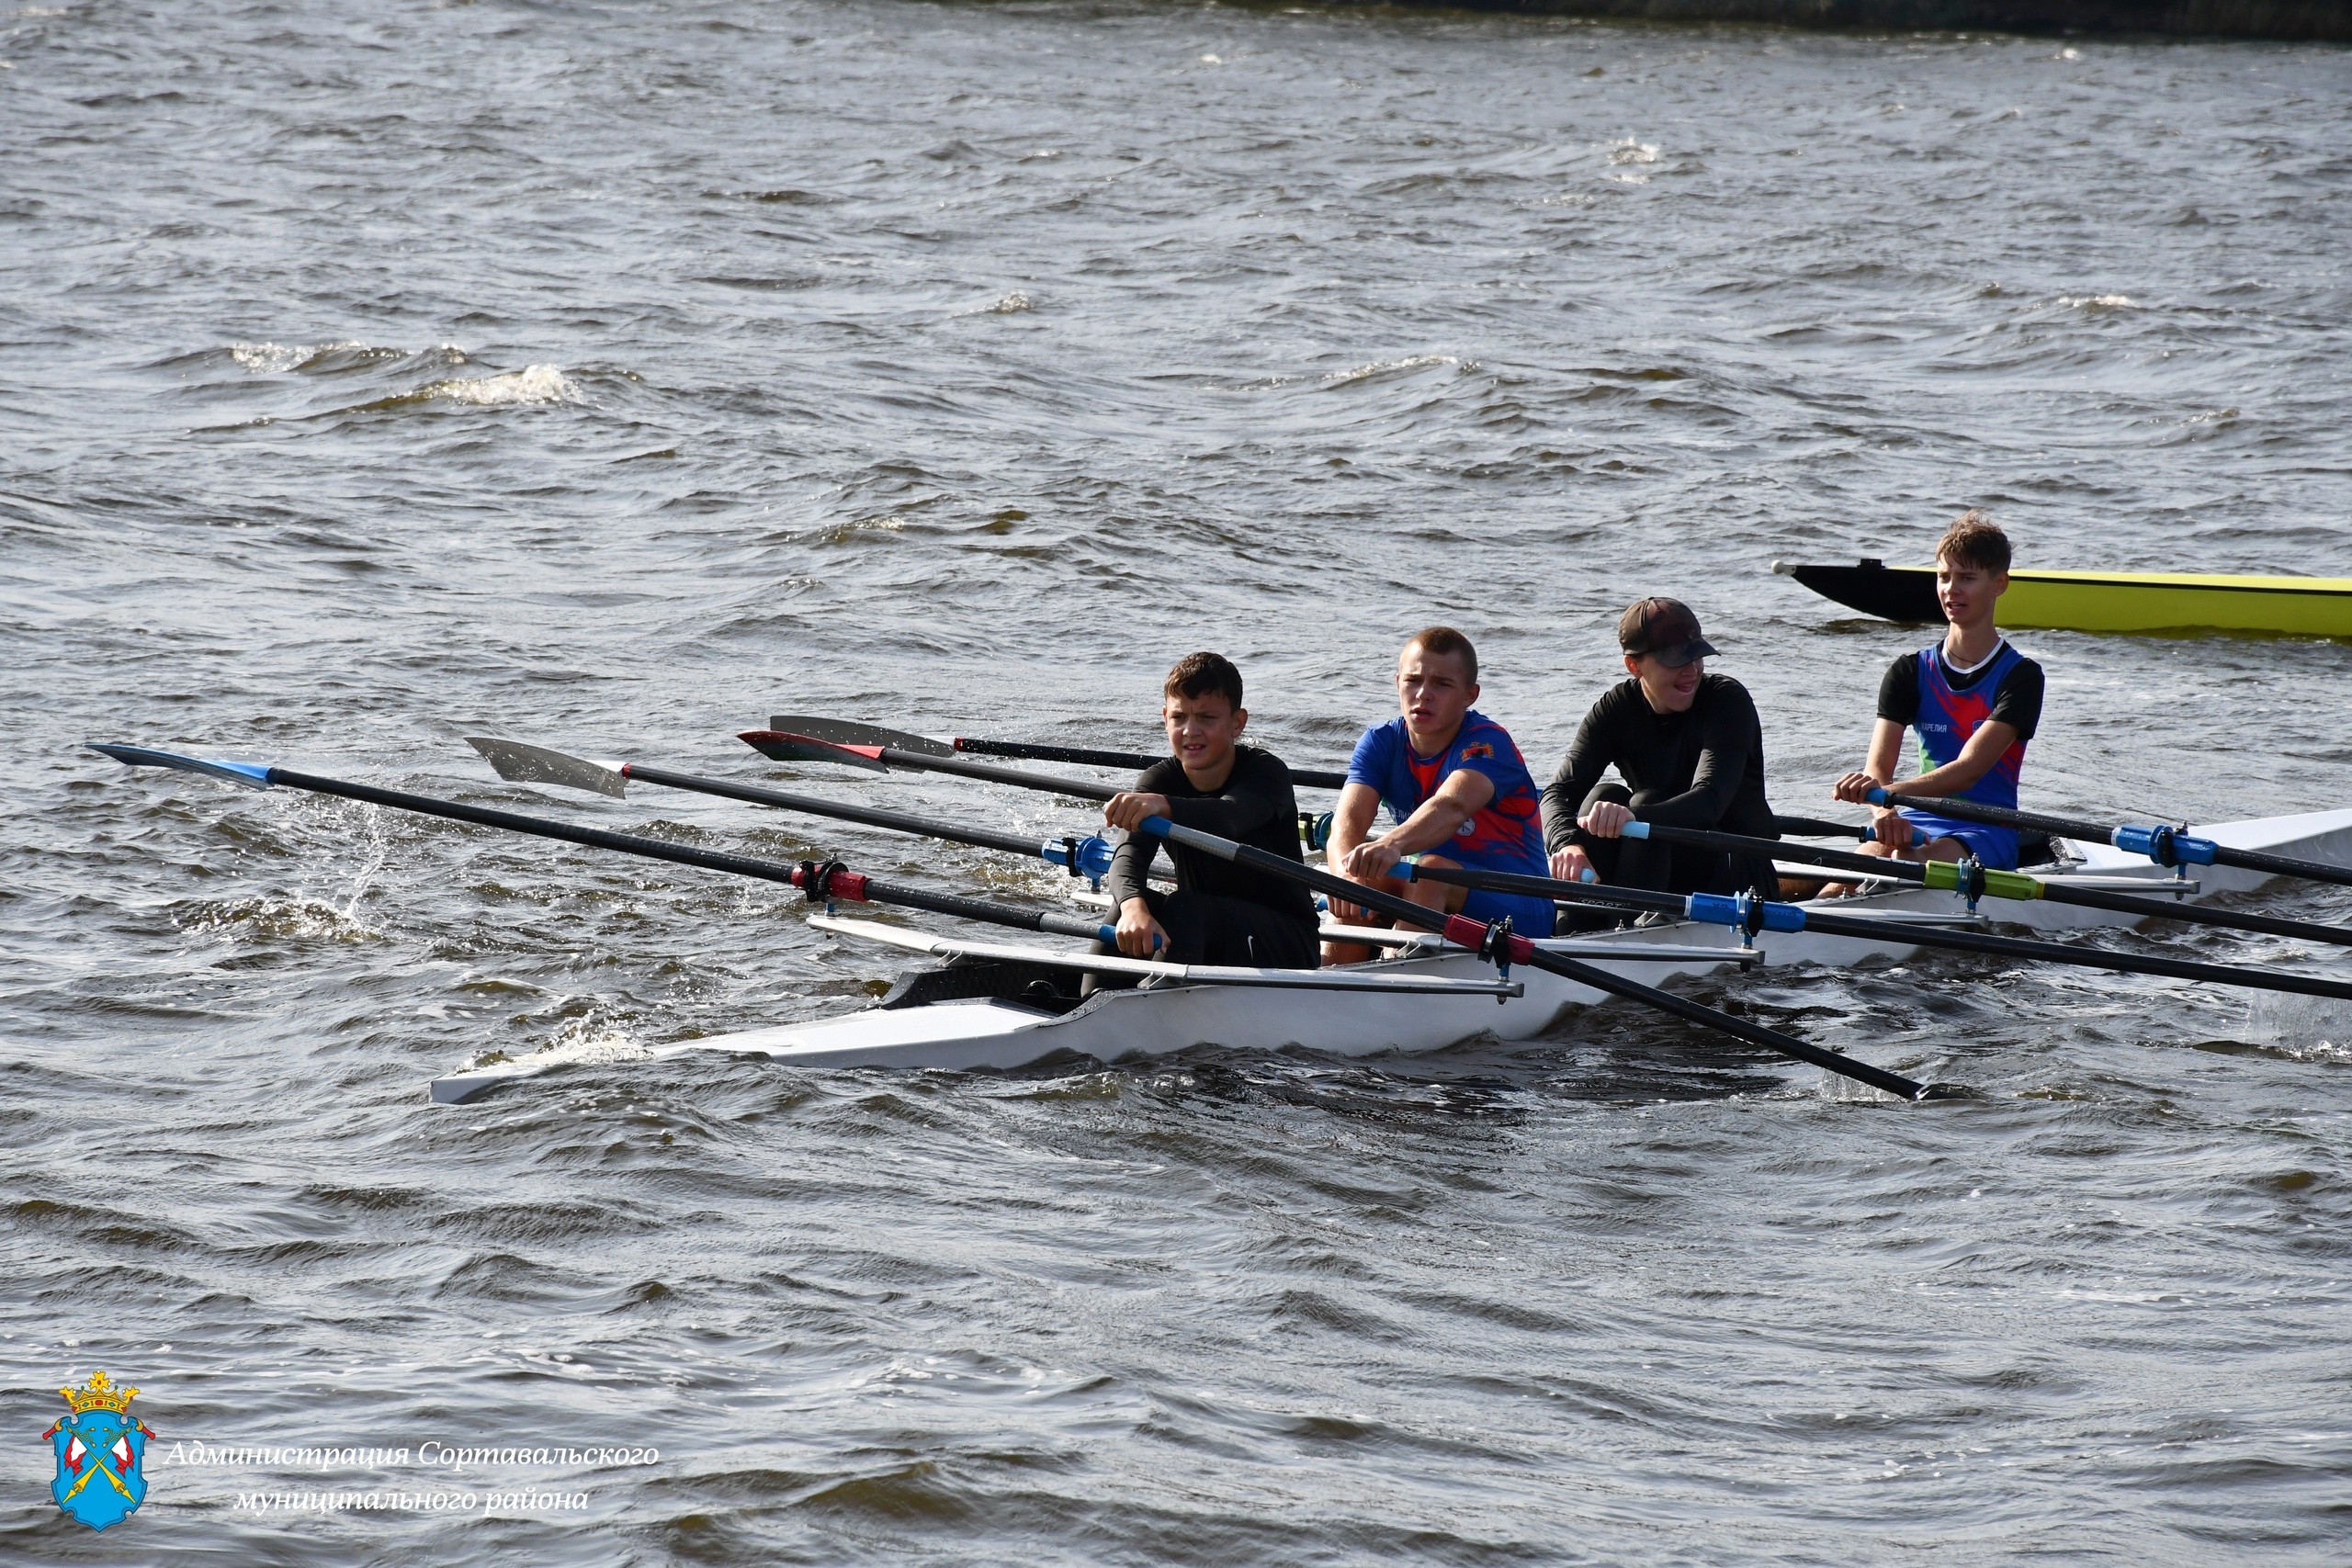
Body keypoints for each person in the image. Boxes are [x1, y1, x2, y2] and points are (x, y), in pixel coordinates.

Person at [1323, 627, 1555, 964]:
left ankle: (1393, 978)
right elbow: (1347, 822)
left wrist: (1392, 844)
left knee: (1430, 872)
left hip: (1520, 903)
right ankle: (1327, 979)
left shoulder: (1488, 745)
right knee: (1361, 874)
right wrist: (1344, 877)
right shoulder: (1380, 741)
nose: (1423, 695)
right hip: (1436, 891)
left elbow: (1451, 807)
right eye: (1413, 681)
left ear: (1470, 695)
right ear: (1397, 682)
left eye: (1442, 684)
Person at [1830, 510, 2045, 874]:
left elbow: (1967, 771)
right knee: (1845, 872)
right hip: (1916, 815)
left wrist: (1886, 793)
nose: (1951, 590)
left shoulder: (2021, 677)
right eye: (1944, 577)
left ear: (2000, 584)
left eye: (1966, 578)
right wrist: (1885, 811)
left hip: (1985, 827)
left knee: (1906, 861)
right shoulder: (1909, 671)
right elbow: (1878, 767)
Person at [1540, 598, 1781, 906]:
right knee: (1604, 797)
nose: (1691, 671)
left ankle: (1626, 927)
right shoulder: (1615, 708)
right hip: (1656, 866)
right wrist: (1567, 844)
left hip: (1738, 871)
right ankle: (1576, 926)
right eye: (1675, 660)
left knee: (1640, 804)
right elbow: (1557, 792)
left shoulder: (1726, 702)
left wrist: (1633, 816)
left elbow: (1709, 801)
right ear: (1634, 666)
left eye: (1696, 656)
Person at [1098, 651, 1320, 970]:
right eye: (1179, 717)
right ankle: (1084, 1003)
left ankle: (1157, 1004)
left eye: (1206, 717)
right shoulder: (1158, 780)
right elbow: (1128, 855)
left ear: (1237, 723)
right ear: (1165, 718)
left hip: (1287, 942)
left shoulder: (1267, 772)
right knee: (1128, 908)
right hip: (1209, 931)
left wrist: (1164, 804)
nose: (1191, 730)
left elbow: (1229, 818)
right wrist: (1134, 908)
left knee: (1185, 908)